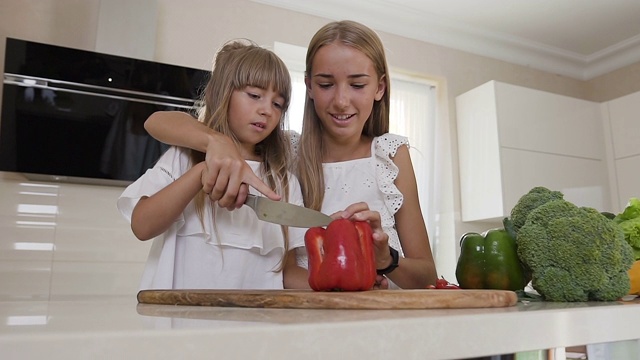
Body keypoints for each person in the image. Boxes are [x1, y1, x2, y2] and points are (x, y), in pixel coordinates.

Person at [144, 20, 438, 289]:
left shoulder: (390, 155)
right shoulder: (283, 152)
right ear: (309, 86)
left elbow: (425, 277)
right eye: (325, 84)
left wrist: (385, 260)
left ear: (380, 88)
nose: (341, 100)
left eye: (358, 84)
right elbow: (157, 122)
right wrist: (216, 141)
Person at [117, 39, 310, 290]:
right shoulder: (186, 158)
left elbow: (288, 273)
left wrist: (342, 286)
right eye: (254, 95)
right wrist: (200, 173)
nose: (267, 110)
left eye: (278, 104)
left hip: (255, 325)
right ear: (222, 94)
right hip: (180, 322)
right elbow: (142, 226)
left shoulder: (284, 183)